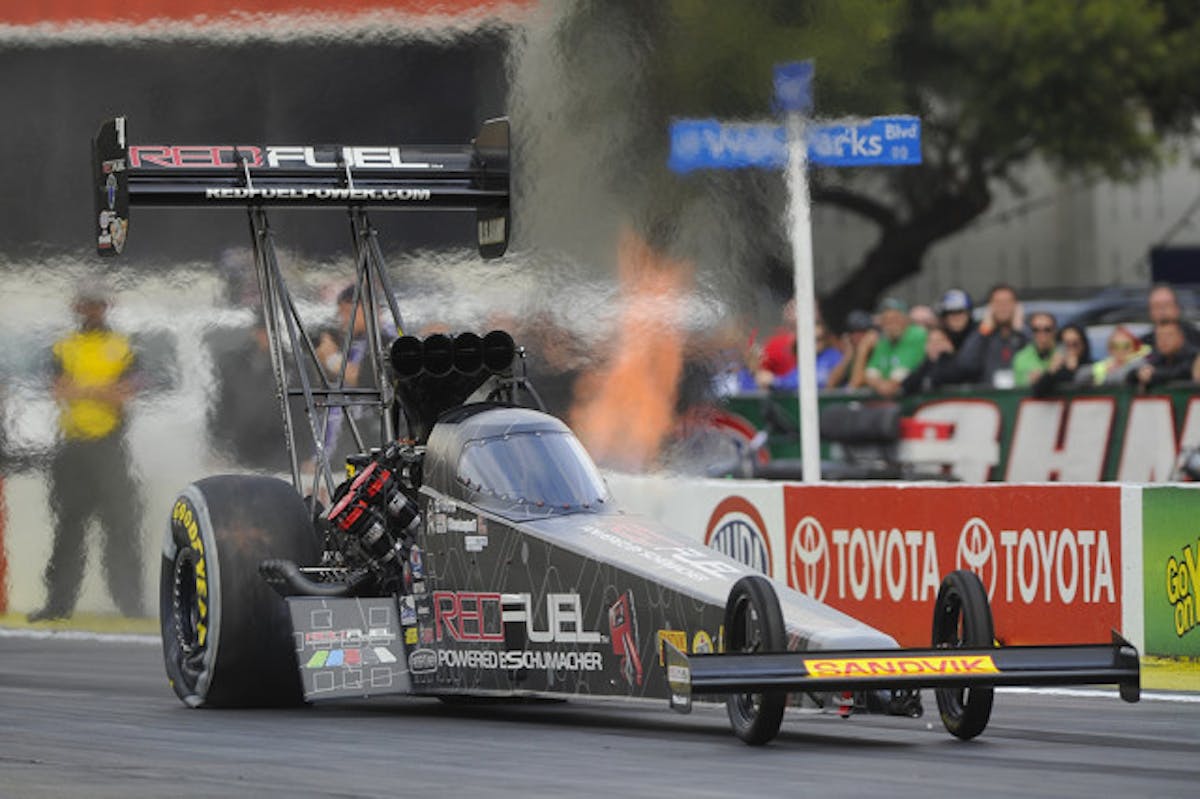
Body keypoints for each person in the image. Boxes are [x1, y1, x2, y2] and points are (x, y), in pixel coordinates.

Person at [30, 287, 144, 621]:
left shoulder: (122, 346)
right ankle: (58, 604)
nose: (91, 310)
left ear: (105, 307)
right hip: (73, 448)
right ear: (77, 307)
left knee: (121, 529)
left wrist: (83, 390)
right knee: (67, 529)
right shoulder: (64, 346)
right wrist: (100, 390)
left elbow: (125, 394)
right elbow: (57, 389)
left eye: (97, 304)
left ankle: (130, 603)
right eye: (86, 305)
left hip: (110, 447)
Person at [956, 283, 1026, 387]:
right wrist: (984, 331)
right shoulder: (980, 334)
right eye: (998, 302)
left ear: (1016, 306)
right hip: (989, 397)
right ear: (990, 307)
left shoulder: (1028, 333)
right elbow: (964, 365)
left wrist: (1021, 331)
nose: (1003, 307)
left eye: (1007, 302)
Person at [862, 297, 927, 398]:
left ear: (906, 319)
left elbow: (901, 374)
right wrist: (880, 385)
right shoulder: (884, 340)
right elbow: (870, 373)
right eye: (886, 320)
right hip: (889, 402)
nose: (890, 324)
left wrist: (884, 385)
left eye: (895, 318)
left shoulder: (916, 335)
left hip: (916, 399)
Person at [767, 319, 844, 391]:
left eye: (819, 339)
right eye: (812, 339)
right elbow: (793, 378)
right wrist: (773, 380)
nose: (816, 343)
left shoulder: (834, 356)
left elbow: (816, 381)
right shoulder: (807, 358)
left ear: (825, 339)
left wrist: (776, 382)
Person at [1130, 320, 1198, 390]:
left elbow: (1182, 372)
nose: (1163, 340)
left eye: (1169, 336)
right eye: (1159, 337)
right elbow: (1130, 375)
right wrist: (1139, 373)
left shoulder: (1194, 356)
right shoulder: (1158, 356)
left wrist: (1153, 375)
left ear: (1181, 337)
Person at [1032, 324, 1094, 397]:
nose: (1071, 349)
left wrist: (1072, 370)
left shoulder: (1092, 366)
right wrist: (1051, 371)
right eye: (1066, 344)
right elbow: (1038, 392)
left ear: (1083, 345)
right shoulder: (1057, 370)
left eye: (1075, 344)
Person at [1078, 326, 1149, 386]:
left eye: (1125, 346)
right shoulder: (1105, 364)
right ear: (1109, 349)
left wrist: (1105, 374)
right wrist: (1104, 369)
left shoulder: (1139, 363)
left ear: (1133, 347)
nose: (1120, 350)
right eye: (1115, 346)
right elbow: (1080, 376)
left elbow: (1121, 377)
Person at [901, 325, 960, 395]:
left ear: (949, 343)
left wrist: (944, 356)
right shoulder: (925, 364)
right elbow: (907, 384)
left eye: (939, 341)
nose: (934, 345)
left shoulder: (957, 363)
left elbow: (940, 378)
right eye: (930, 341)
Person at [826, 309, 875, 390]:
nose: (857, 336)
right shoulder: (850, 353)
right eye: (852, 332)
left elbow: (856, 383)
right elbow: (830, 384)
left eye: (862, 331)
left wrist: (862, 349)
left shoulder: (878, 351)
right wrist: (848, 355)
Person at [1142, 283, 1200, 347]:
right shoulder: (1144, 344)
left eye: (1167, 305)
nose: (1162, 311)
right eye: (1157, 306)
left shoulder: (1195, 337)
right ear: (1150, 312)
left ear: (1177, 308)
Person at [1012, 312, 1058, 386]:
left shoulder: (1063, 353)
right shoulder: (1021, 358)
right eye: (1036, 330)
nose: (1042, 334)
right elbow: (1018, 388)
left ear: (1055, 331)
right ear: (1031, 332)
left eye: (1047, 329)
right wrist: (1029, 380)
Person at [758, 298, 798, 378]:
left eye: (794, 307)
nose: (789, 310)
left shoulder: (819, 340)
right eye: (788, 307)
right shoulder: (774, 342)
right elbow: (763, 374)